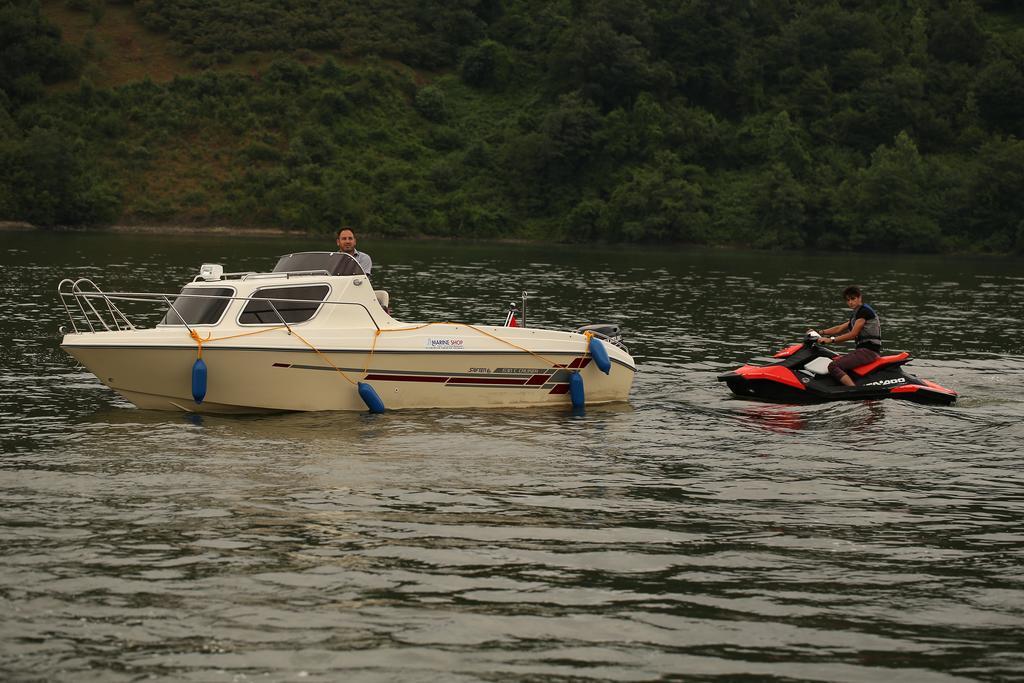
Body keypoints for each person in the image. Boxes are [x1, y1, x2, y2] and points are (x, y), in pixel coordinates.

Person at [817, 285, 882, 387]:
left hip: (868, 351)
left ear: (859, 297)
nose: (850, 302)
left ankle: (853, 390)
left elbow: (853, 334)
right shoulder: (856, 314)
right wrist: (820, 332)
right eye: (848, 300)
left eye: (853, 298)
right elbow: (839, 328)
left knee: (833, 366)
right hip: (864, 351)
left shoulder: (864, 312)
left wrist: (830, 340)